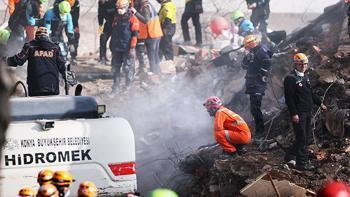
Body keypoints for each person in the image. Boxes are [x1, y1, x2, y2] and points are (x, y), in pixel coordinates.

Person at [284, 53, 327, 171]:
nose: (303, 66)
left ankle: (289, 155)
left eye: (305, 64)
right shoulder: (290, 78)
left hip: (308, 111)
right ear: (295, 65)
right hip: (299, 113)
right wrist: (294, 113)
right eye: (300, 64)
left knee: (304, 137)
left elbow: (310, 93)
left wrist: (320, 103)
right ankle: (301, 163)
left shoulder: (305, 77)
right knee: (302, 137)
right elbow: (289, 98)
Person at [7, 27, 66, 97]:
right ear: (47, 36)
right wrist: (65, 76)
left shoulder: (30, 46)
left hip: (35, 89)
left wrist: (5, 60)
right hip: (53, 88)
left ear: (36, 36)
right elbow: (62, 65)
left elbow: (19, 60)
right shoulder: (55, 47)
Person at [241, 34, 272, 140]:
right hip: (252, 84)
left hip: (257, 84)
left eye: (247, 46)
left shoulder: (260, 50)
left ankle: (260, 132)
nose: (247, 48)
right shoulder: (252, 53)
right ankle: (259, 130)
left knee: (255, 108)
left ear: (251, 44)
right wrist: (247, 57)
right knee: (254, 108)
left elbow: (267, 61)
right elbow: (244, 66)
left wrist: (262, 74)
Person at [110, 0, 139, 93]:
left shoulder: (133, 18)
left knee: (128, 68)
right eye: (118, 8)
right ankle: (116, 86)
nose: (119, 10)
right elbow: (114, 31)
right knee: (115, 67)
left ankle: (128, 86)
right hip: (116, 47)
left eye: (121, 8)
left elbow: (135, 35)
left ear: (126, 7)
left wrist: (132, 48)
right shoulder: (116, 17)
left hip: (127, 48)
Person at [131, 0, 163, 74]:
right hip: (156, 33)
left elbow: (146, 20)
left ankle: (153, 73)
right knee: (155, 55)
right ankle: (157, 72)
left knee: (152, 55)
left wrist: (135, 12)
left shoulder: (145, 7)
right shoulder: (148, 5)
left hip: (152, 34)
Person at [98, 0, 116, 65]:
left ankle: (115, 59)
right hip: (108, 23)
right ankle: (102, 58)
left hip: (116, 24)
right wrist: (100, 27)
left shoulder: (114, 1)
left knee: (113, 43)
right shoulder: (101, 3)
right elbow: (100, 15)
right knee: (102, 39)